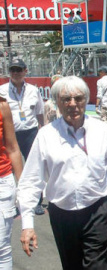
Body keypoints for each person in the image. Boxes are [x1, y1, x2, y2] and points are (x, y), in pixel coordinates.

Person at [17, 76, 107, 269]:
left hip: (96, 210)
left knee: (96, 266)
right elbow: (31, 181)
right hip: (62, 214)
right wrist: (27, 224)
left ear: (86, 100)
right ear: (57, 103)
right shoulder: (46, 135)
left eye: (78, 98)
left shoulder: (102, 131)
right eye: (66, 99)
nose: (73, 104)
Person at [0, 59, 45, 215]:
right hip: (10, 135)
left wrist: (43, 131)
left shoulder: (34, 90)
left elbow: (39, 112)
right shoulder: (2, 91)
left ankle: (37, 201)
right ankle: (11, 202)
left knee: (34, 168)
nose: (16, 73)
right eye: (13, 70)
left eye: (19, 70)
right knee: (10, 169)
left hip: (30, 133)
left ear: (25, 71)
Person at [0, 78, 23, 269]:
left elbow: (13, 148)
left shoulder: (2, 106)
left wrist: (22, 185)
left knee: (1, 248)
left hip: (2, 182)